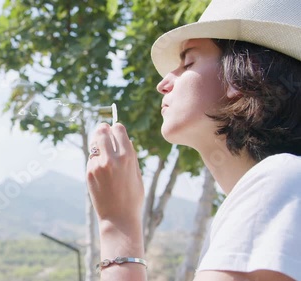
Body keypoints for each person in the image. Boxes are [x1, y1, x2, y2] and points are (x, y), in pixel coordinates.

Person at [85, 0, 301, 280]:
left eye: (188, 62)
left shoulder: (280, 183)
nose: (162, 83)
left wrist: (118, 224)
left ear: (246, 75)